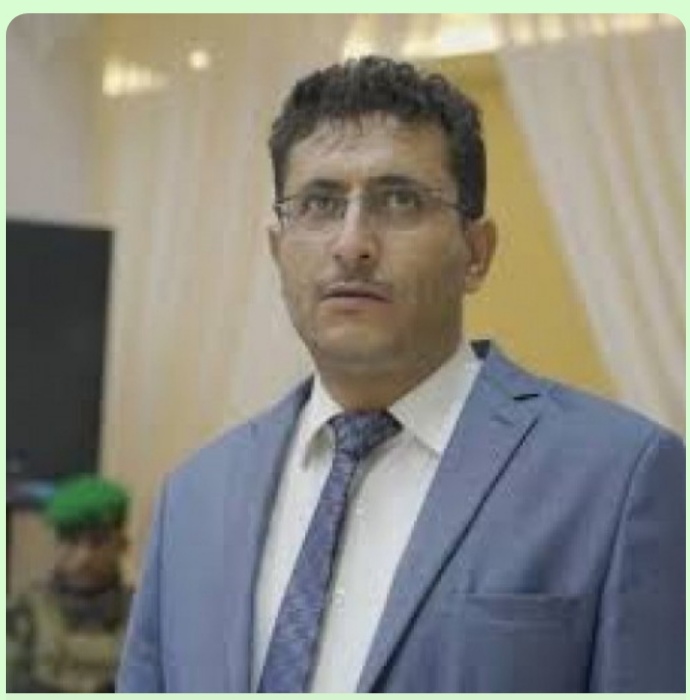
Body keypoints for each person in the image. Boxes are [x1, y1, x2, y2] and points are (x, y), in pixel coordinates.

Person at [117, 55, 684, 693]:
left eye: (399, 200)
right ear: (278, 251)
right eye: (320, 203)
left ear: (476, 253)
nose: (352, 244)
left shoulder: (619, 479)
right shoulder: (194, 497)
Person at [7, 475, 132, 692]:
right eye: (71, 542)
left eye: (98, 542)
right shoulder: (23, 611)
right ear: (56, 544)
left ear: (121, 545)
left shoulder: (143, 615)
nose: (84, 557)